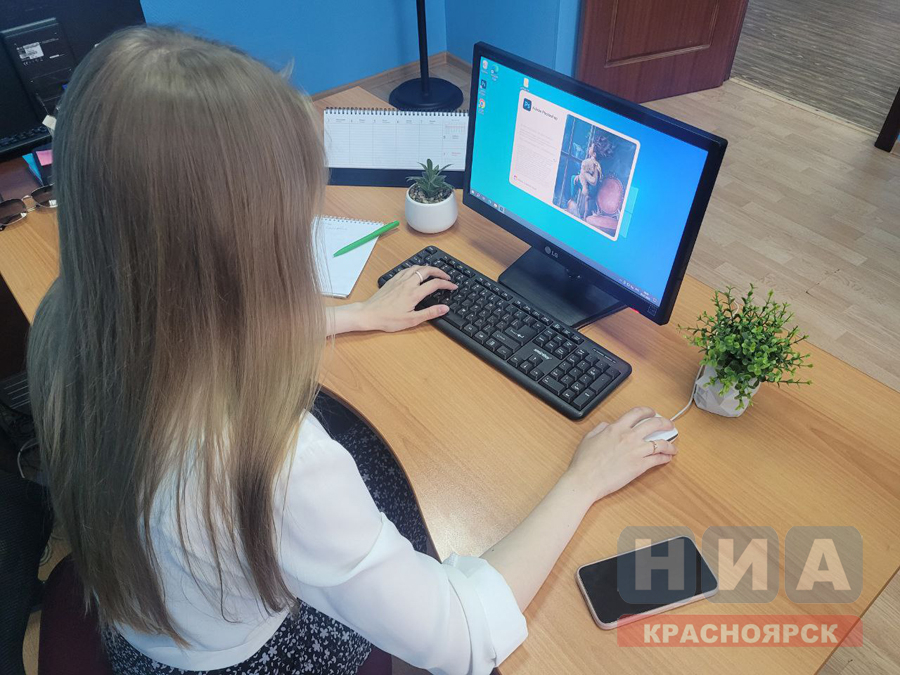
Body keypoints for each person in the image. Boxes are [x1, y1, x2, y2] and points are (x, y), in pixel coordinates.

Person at [27, 27, 677, 675]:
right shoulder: (275, 465)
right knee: (404, 493)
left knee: (371, 460)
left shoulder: (74, 320)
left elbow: (197, 325)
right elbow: (464, 638)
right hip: (264, 659)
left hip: (145, 624)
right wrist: (584, 479)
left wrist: (359, 314)